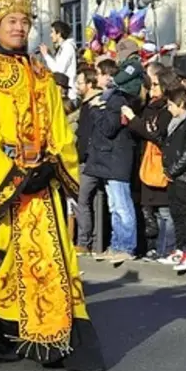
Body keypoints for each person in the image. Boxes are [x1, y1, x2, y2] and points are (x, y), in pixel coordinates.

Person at [0, 0, 104, 371]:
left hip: (42, 187)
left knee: (47, 263)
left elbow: (60, 129)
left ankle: (51, 336)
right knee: (0, 266)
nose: (19, 28)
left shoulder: (41, 74)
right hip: (2, 187)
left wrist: (53, 162)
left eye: (24, 21)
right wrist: (13, 173)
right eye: (11, 21)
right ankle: (1, 336)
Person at [121, 63, 174, 262]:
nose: (152, 90)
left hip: (160, 164)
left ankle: (167, 250)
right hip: (146, 164)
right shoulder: (149, 107)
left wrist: (134, 119)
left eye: (156, 85)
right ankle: (157, 249)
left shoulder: (166, 110)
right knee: (154, 213)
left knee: (165, 212)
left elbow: (154, 134)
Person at [88, 59, 138, 264]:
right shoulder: (109, 98)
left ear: (108, 77)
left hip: (116, 159)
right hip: (109, 160)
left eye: (98, 74)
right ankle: (117, 245)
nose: (96, 78)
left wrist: (96, 110)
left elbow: (109, 129)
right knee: (113, 205)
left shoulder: (117, 99)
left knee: (122, 205)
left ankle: (126, 246)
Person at [159, 86, 186, 271]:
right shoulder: (176, 122)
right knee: (175, 211)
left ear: (181, 103)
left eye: (170, 104)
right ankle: (179, 247)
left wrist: (174, 170)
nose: (168, 108)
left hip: (183, 174)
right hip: (173, 174)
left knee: (185, 212)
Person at [75, 66, 104, 255]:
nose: (76, 86)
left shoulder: (96, 104)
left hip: (91, 160)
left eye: (79, 82)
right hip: (87, 159)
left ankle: (83, 242)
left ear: (90, 84)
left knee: (82, 201)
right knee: (91, 201)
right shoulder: (84, 105)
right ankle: (94, 244)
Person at [39, 20, 77, 102]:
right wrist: (49, 55)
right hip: (62, 92)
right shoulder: (63, 47)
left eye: (52, 32)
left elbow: (59, 71)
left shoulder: (67, 47)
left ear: (59, 33)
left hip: (68, 95)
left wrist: (46, 55)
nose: (50, 35)